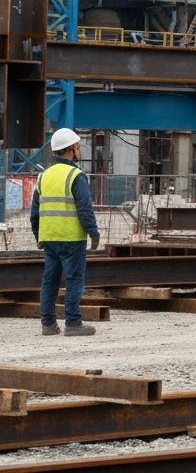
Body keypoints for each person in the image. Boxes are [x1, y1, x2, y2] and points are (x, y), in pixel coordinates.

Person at [30, 128, 101, 337]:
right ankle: (73, 323)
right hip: (72, 239)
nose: (79, 150)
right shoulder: (75, 175)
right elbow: (84, 207)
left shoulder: (43, 177)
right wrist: (93, 232)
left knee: (50, 281)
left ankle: (48, 324)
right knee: (74, 279)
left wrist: (38, 236)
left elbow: (35, 213)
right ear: (71, 150)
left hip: (50, 238)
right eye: (78, 146)